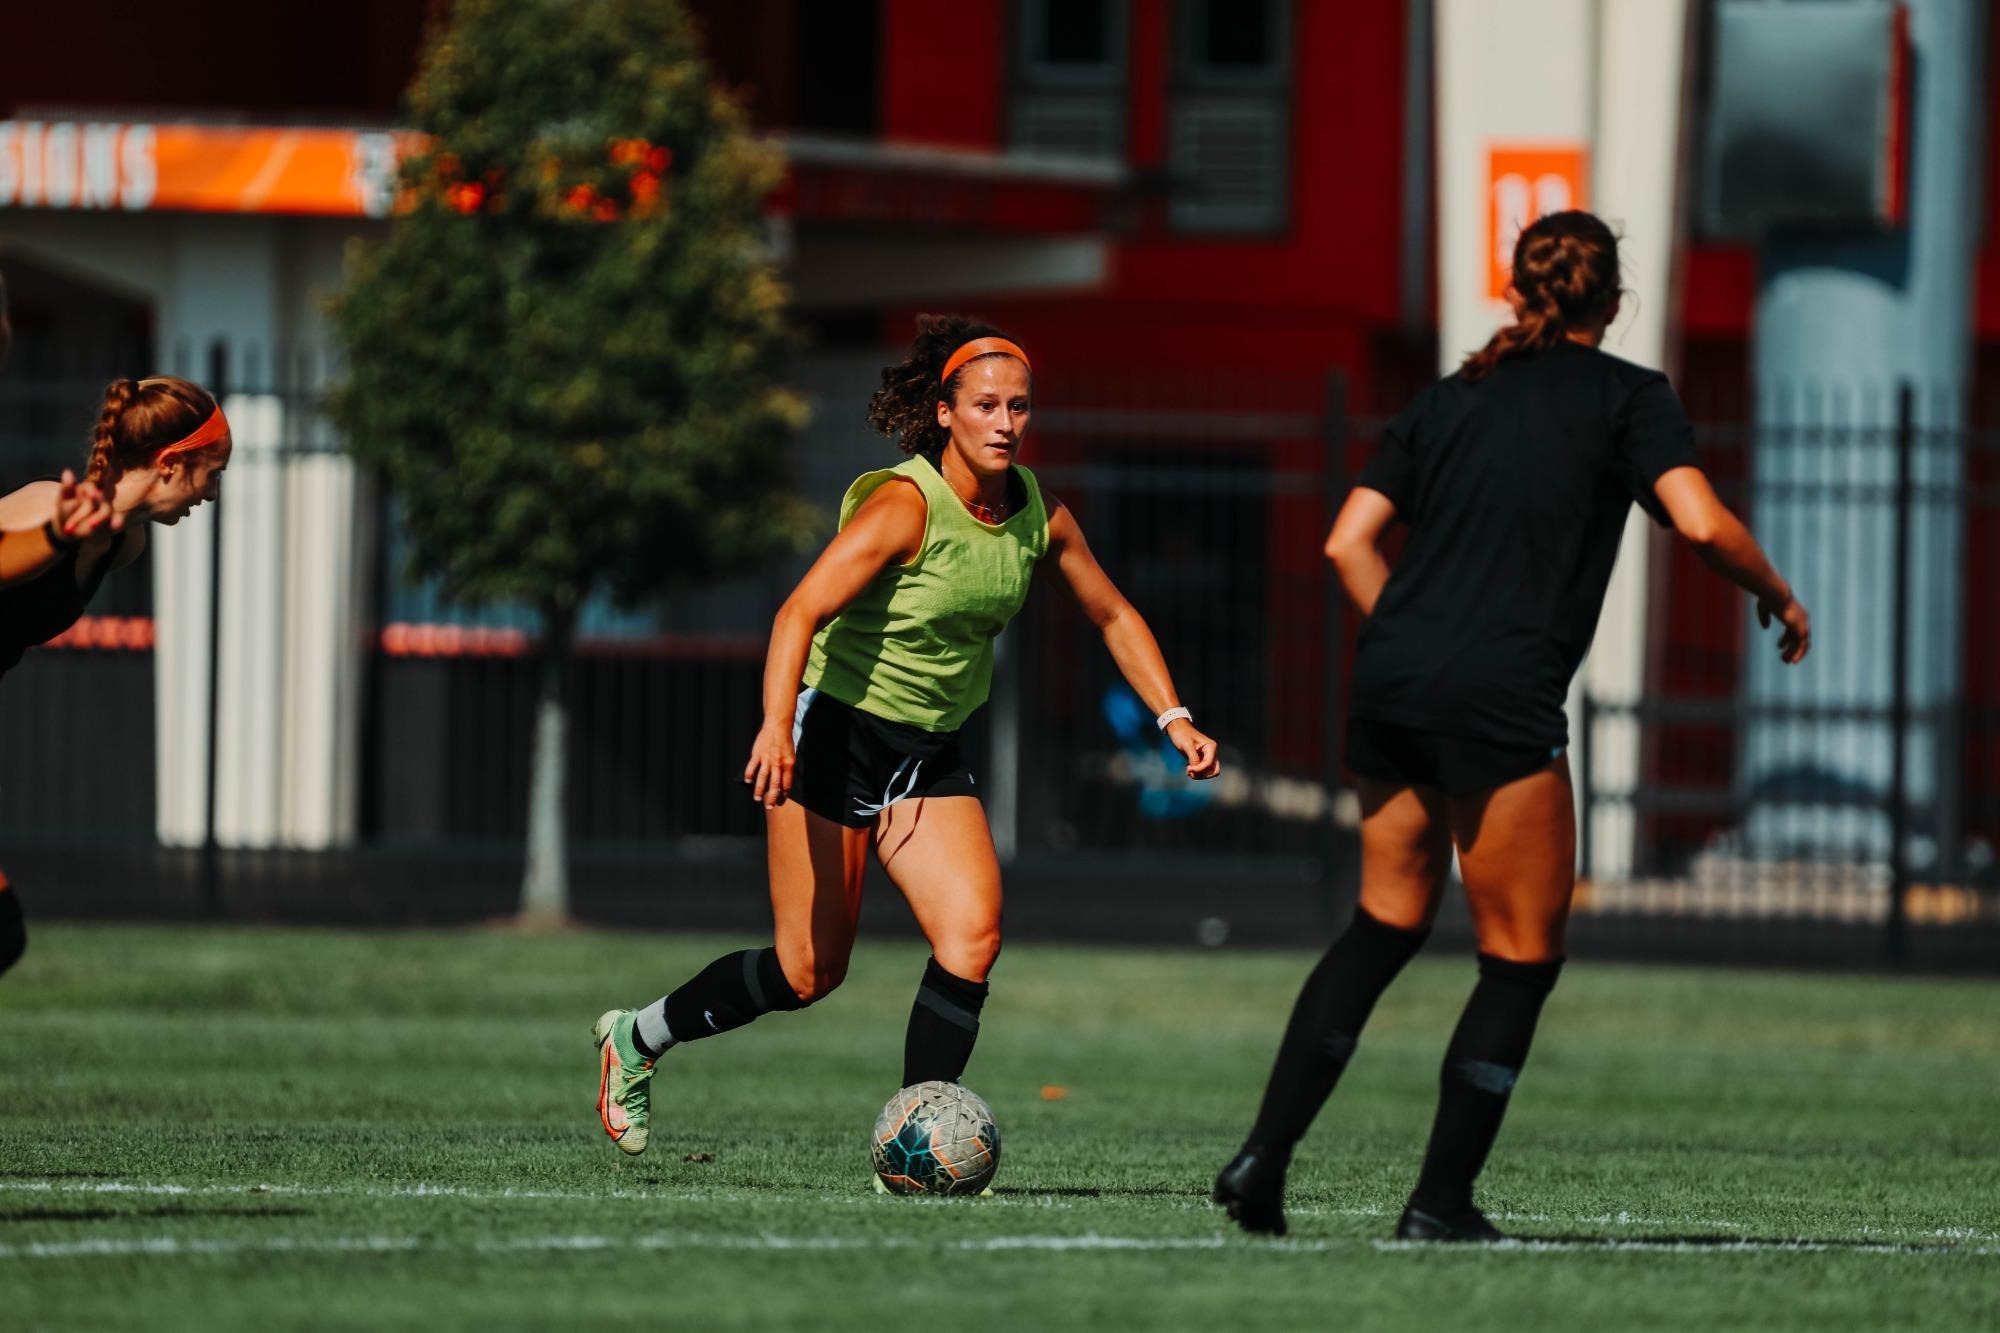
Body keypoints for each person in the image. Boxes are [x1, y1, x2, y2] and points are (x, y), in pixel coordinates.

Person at [1213, 211, 1811, 1241]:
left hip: (1390, 682)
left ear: (1518, 291)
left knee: (1383, 924)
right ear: (1611, 303)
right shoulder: (1629, 397)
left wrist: (1412, 633)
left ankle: (1260, 1158)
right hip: (1498, 700)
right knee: (1518, 958)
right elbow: (1702, 521)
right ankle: (1438, 1203)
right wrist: (1776, 592)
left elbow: (1345, 542)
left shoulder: (1448, 398)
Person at [591, 315, 1220, 1157]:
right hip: (836, 734)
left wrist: (1173, 716)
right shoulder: (903, 505)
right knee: (807, 972)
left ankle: (914, 1139)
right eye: (988, 405)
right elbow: (798, 612)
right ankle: (636, 1038)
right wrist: (778, 725)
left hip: (928, 750)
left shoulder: (1038, 510)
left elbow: (1111, 611)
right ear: (946, 413)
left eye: (1020, 406)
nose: (1006, 422)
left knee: (972, 935)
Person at [0, 375, 232, 978]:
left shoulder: (121, 546)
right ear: (171, 462)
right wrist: (53, 537)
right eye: (214, 473)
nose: (211, 493)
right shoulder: (52, 505)